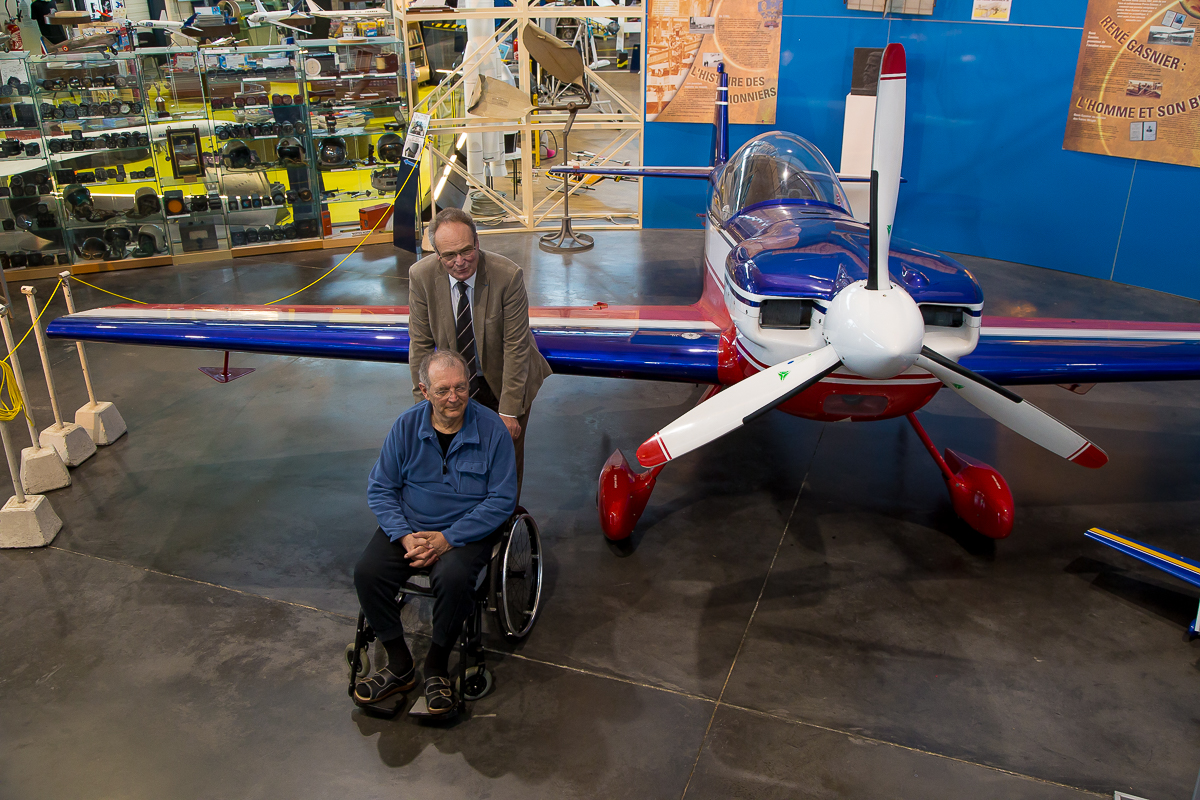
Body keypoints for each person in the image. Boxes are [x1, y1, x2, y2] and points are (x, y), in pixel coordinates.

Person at [353, 350, 517, 714]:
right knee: (367, 573)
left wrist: (447, 539)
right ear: (425, 391)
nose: (454, 397)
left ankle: (436, 667)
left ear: (470, 386)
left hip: (466, 531)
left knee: (454, 578)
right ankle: (400, 663)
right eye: (443, 390)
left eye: (461, 387)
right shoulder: (406, 427)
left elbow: (502, 500)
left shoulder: (492, 430)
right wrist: (403, 535)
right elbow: (381, 488)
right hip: (411, 528)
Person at [407, 207, 551, 493]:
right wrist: (423, 404)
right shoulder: (420, 276)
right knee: (457, 452)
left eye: (466, 250)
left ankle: (506, 515)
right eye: (449, 255)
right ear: (437, 255)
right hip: (457, 382)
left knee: (504, 458)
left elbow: (516, 348)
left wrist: (509, 411)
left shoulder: (507, 276)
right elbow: (420, 345)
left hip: (505, 378)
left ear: (477, 242)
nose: (460, 262)